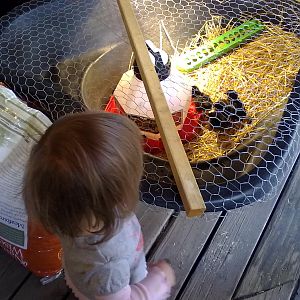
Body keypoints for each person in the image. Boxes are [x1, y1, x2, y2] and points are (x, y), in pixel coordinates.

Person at [23, 111, 175, 300]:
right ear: (113, 199)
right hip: (106, 288)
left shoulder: (69, 213)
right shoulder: (107, 266)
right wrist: (158, 282)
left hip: (88, 271)